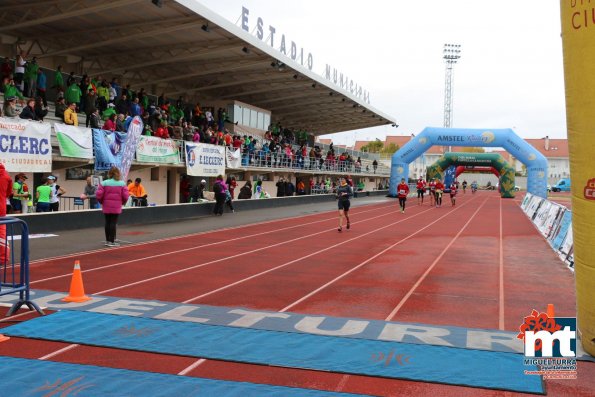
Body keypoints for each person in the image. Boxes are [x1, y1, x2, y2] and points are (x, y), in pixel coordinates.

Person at [96, 166, 129, 247]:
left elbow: (98, 195)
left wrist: (102, 202)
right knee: (113, 222)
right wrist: (123, 202)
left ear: (109, 174)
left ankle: (107, 240)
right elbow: (126, 196)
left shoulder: (104, 183)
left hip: (106, 205)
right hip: (117, 205)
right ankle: (112, 241)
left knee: (107, 222)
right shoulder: (122, 183)